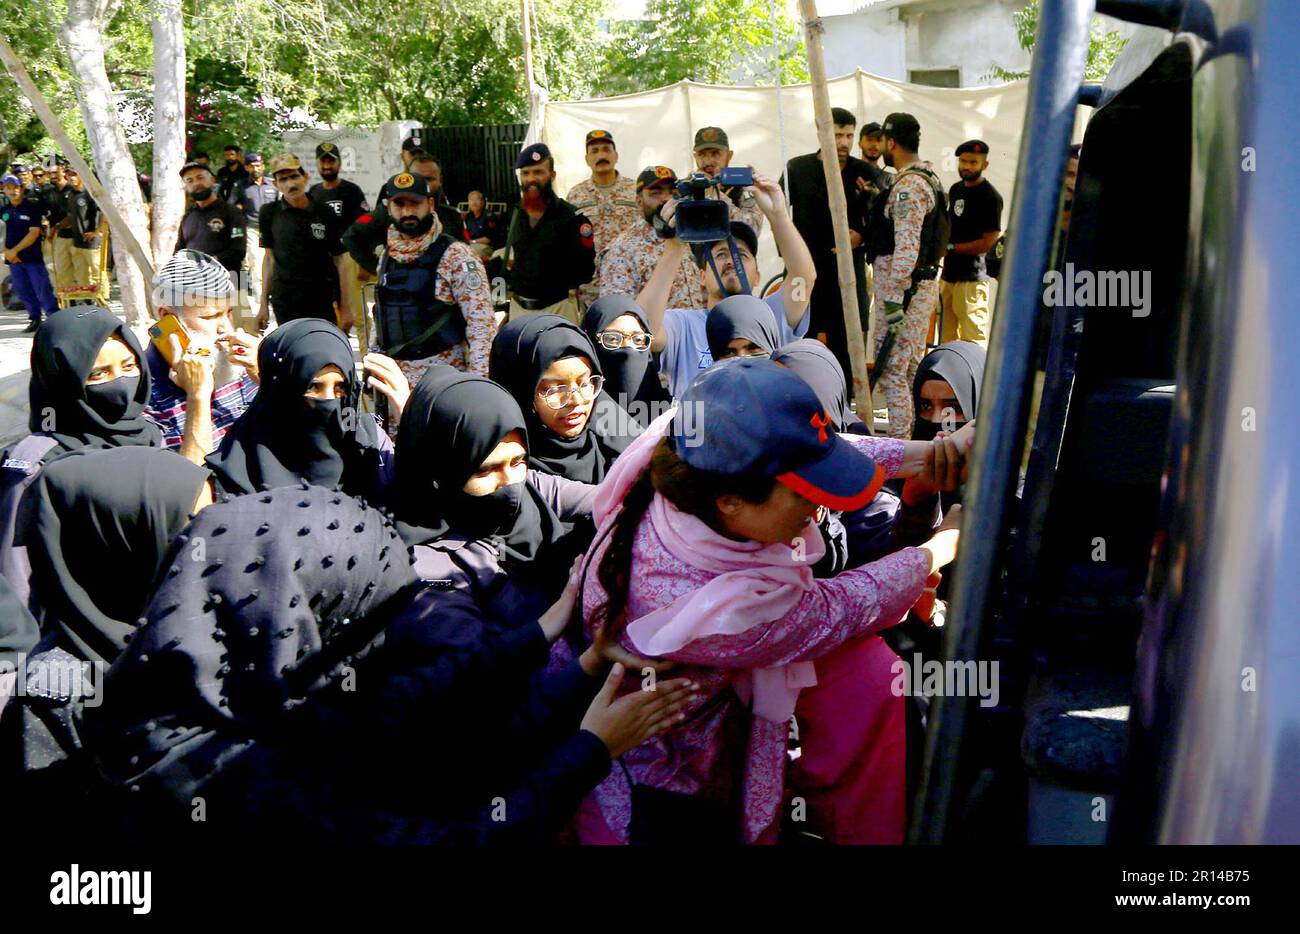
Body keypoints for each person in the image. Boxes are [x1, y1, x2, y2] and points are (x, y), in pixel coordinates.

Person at [83, 484, 696, 844]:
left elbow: (408, 707)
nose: (387, 642)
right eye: (371, 621)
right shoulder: (228, 779)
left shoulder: (239, 689)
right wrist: (592, 751)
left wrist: (565, 649)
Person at [564, 359, 965, 844]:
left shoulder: (688, 454)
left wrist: (928, 453)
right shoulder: (715, 611)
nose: (820, 507)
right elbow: (840, 606)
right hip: (659, 804)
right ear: (732, 501)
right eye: (803, 496)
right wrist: (939, 549)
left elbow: (821, 453)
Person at [11, 446, 214, 814]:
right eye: (191, 525)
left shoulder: (208, 618)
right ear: (121, 539)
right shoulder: (58, 687)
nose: (210, 543)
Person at [393, 365, 602, 614]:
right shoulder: (427, 562)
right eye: (485, 470)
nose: (509, 482)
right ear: (440, 471)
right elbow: (468, 648)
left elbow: (612, 499)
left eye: (518, 461)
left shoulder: (532, 487)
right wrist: (562, 613)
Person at [0, 307, 162, 605]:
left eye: (129, 366)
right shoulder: (34, 463)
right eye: (99, 374)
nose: (121, 384)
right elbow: (14, 574)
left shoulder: (149, 433)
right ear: (61, 378)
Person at [639, 170, 817, 397]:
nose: (731, 261)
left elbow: (803, 277)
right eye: (720, 255)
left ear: (757, 276)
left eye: (741, 255)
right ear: (702, 277)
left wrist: (778, 214)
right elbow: (642, 330)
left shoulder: (772, 316)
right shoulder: (683, 326)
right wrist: (674, 245)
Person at [204, 318, 404, 501]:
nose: (328, 401)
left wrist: (409, 416)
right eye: (314, 387)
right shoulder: (239, 468)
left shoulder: (369, 443)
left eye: (340, 388)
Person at [371, 170, 497, 388]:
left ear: (430, 204)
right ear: (389, 208)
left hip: (443, 383)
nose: (407, 211)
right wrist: (373, 370)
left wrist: (478, 387)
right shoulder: (386, 257)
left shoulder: (457, 255)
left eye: (415, 203)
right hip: (394, 384)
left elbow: (482, 327)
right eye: (399, 204)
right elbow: (380, 317)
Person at [781, 106, 878, 380]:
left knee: (846, 347)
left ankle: (844, 410)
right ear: (821, 131)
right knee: (800, 341)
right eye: (837, 135)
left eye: (849, 135)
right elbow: (777, 213)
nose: (844, 142)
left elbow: (883, 221)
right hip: (805, 275)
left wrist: (861, 236)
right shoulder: (797, 168)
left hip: (847, 276)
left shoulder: (865, 172)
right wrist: (788, 255)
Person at [868, 112, 948, 439]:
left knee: (891, 372)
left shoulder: (909, 186)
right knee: (910, 368)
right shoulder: (928, 177)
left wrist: (893, 302)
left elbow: (906, 247)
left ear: (892, 143)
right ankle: (914, 441)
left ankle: (898, 450)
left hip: (903, 294)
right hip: (917, 290)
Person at [489, 314, 637, 485]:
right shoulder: (496, 473)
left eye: (584, 383)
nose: (577, 400)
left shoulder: (623, 450)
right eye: (555, 389)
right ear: (518, 391)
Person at [145, 251, 261, 463]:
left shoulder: (242, 367)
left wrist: (263, 376)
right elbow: (186, 487)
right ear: (168, 319)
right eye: (210, 316)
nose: (225, 328)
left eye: (229, 313)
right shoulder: (144, 394)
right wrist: (197, 396)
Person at [503, 143, 595, 324]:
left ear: (552, 175)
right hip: (518, 310)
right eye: (525, 173)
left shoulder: (572, 218)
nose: (531, 179)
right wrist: (501, 306)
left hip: (558, 309)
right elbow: (503, 263)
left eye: (538, 172)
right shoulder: (514, 214)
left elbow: (586, 270)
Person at [256, 153, 348, 331]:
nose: (291, 184)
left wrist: (347, 307)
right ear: (275, 185)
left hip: (322, 297)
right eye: (283, 179)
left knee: (325, 350)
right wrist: (262, 306)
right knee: (293, 352)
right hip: (285, 298)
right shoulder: (269, 213)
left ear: (305, 177)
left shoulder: (325, 212)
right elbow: (268, 259)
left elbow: (340, 260)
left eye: (294, 176)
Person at [340, 149, 467, 277]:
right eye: (418, 178)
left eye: (429, 179)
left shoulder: (452, 216)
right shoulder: (389, 213)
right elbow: (351, 237)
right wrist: (377, 267)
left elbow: (465, 256)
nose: (423, 184)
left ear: (440, 180)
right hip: (398, 289)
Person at [598, 165, 706, 312]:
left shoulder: (685, 235)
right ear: (639, 202)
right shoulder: (621, 250)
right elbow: (617, 314)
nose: (667, 199)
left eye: (673, 193)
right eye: (656, 193)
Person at [565, 130, 638, 308]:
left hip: (630, 280)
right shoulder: (576, 195)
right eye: (595, 151)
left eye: (606, 149)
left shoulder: (635, 190)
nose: (601, 155)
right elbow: (568, 240)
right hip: (590, 287)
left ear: (616, 155)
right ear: (587, 159)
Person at [940, 140, 1003, 346]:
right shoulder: (956, 189)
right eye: (963, 161)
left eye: (973, 162)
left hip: (972, 279)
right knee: (945, 340)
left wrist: (951, 248)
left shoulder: (990, 197)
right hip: (948, 276)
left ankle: (975, 379)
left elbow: (989, 242)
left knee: (973, 340)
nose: (967, 167)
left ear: (985, 165)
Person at [580, 295, 670, 426]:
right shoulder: (575, 419)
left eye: (638, 339)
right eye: (612, 339)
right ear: (590, 342)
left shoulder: (671, 420)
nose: (627, 349)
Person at [2, 174, 58, 332]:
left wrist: (15, 250)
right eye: (9, 188)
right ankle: (34, 319)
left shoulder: (31, 207)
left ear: (22, 188)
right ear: (4, 190)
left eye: (15, 187)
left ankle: (54, 319)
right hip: (14, 261)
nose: (12, 191)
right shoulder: (4, 211)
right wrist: (7, 252)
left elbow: (33, 233)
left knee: (42, 289)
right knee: (23, 290)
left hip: (32, 258)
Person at [174, 160, 246, 278]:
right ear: (186, 187)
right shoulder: (187, 218)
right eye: (190, 180)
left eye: (200, 177)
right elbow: (179, 250)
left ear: (212, 180)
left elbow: (238, 250)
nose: (196, 183)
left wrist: (208, 263)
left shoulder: (232, 213)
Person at [690, 126, 764, 233]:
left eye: (715, 154)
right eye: (702, 154)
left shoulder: (742, 184)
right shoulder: (687, 186)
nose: (708, 161)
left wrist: (714, 194)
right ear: (695, 157)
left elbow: (752, 229)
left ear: (729, 155)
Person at [236, 152, 278, 313]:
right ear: (246, 167)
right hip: (252, 229)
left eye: (258, 165)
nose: (256, 168)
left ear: (263, 166)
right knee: (256, 263)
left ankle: (275, 298)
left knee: (275, 264)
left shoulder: (273, 185)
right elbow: (233, 207)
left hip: (273, 229)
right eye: (252, 165)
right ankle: (262, 303)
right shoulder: (240, 187)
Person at [59, 169, 106, 305]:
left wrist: (96, 232)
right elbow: (70, 216)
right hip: (77, 242)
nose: (71, 177)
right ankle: (89, 301)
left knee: (97, 272)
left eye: (75, 174)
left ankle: (103, 300)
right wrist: (56, 227)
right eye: (69, 175)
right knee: (81, 275)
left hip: (92, 242)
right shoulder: (71, 195)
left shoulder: (90, 193)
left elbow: (104, 213)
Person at [308, 141, 370, 233]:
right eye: (323, 161)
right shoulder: (313, 191)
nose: (327, 166)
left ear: (340, 163)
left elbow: (366, 219)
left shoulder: (352, 190)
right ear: (317, 164)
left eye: (331, 161)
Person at [463, 189, 504, 261]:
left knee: (470, 254)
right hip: (471, 244)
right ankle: (467, 271)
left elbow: (489, 239)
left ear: (482, 202)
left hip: (488, 246)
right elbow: (465, 232)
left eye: (477, 200)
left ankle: (472, 271)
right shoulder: (468, 216)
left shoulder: (489, 216)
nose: (474, 203)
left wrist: (472, 242)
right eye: (471, 200)